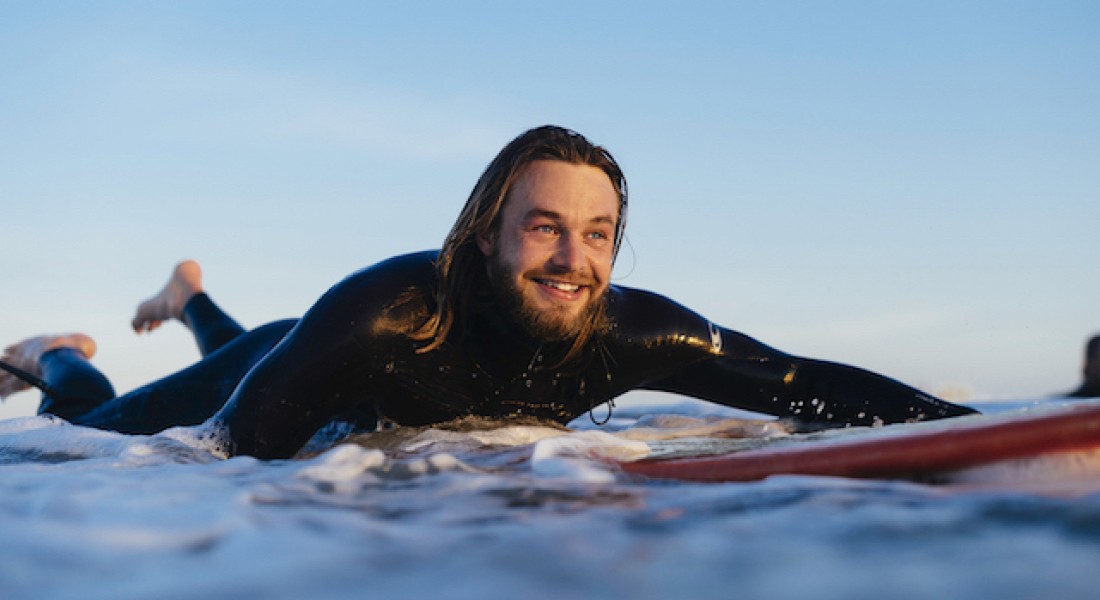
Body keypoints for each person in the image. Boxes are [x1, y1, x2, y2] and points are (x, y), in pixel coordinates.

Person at [0, 125, 977, 459]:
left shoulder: (626, 335)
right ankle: (51, 355)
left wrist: (960, 427)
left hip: (311, 357)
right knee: (96, 430)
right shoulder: (389, 316)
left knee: (245, 341)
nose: (571, 260)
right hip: (302, 358)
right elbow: (222, 454)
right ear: (484, 240)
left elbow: (795, 380)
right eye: (544, 228)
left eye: (597, 236)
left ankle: (185, 295)